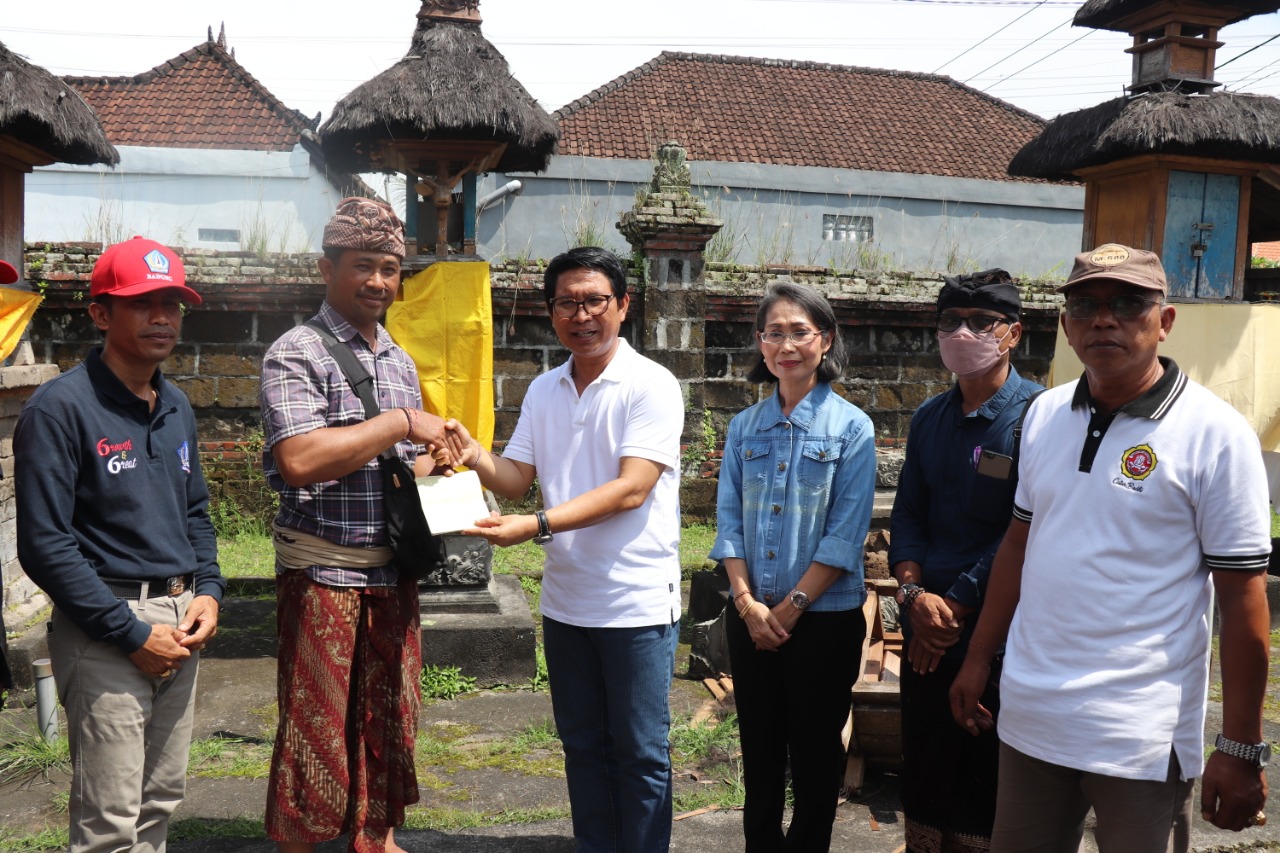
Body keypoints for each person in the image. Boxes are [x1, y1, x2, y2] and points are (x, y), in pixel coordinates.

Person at [950, 244, 1272, 853]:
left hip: (1139, 734)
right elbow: (1019, 546)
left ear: (1164, 321)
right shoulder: (1045, 415)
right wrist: (979, 658)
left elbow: (1242, 598)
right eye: (1086, 306)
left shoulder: (1215, 435)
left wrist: (1240, 745)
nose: (1104, 319)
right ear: (1065, 325)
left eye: (1127, 303)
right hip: (1033, 717)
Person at [445, 246, 684, 852]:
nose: (582, 316)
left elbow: (632, 488)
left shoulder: (651, 384)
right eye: (566, 304)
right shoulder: (544, 388)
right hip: (566, 602)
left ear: (623, 305)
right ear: (550, 312)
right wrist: (474, 455)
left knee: (640, 753)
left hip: (634, 602)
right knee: (581, 746)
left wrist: (538, 525)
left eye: (594, 301)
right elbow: (516, 478)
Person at [15, 237, 224, 852]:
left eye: (172, 304)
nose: (162, 317)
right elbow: (45, 545)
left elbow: (195, 512)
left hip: (180, 618)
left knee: (159, 800)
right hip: (107, 627)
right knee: (109, 821)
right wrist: (129, 634)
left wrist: (209, 590)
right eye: (142, 303)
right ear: (100, 314)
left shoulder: (175, 404)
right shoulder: (60, 409)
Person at [260, 197, 449, 853]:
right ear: (327, 268)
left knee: (390, 715)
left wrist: (432, 461)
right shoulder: (297, 353)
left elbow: (393, 468)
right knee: (314, 724)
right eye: (363, 265)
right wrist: (401, 423)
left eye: (390, 268)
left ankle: (377, 838)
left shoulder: (398, 359)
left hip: (391, 572)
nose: (378, 281)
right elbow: (300, 459)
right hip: (323, 573)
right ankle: (301, 842)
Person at [709, 282, 877, 852]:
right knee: (758, 750)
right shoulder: (744, 427)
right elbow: (729, 523)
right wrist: (746, 604)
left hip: (823, 620)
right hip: (751, 617)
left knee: (815, 754)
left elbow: (845, 535)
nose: (787, 345)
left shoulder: (851, 428)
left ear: (825, 340)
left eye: (800, 332)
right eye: (774, 333)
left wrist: (789, 608)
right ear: (760, 343)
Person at [889, 269, 1042, 853]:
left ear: (1013, 333)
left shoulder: (1038, 417)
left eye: (981, 322)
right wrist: (913, 596)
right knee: (927, 771)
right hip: (925, 625)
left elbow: (1024, 530)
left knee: (987, 779)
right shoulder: (929, 417)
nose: (963, 333)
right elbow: (909, 515)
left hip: (998, 631)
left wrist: (955, 604)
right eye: (951, 321)